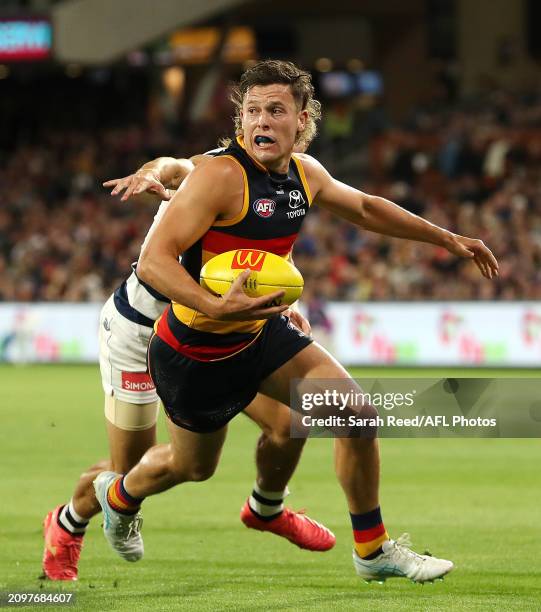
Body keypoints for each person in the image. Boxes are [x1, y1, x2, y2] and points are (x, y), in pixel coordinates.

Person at [94, 60, 498, 584]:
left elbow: (368, 208)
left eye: (276, 110)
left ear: (301, 120)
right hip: (196, 348)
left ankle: (371, 551)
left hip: (259, 334)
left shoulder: (306, 174)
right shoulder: (218, 176)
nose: (262, 121)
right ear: (240, 121)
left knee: (355, 416)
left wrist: (447, 238)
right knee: (189, 468)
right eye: (253, 111)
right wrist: (214, 307)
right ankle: (119, 497)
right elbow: (154, 261)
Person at [41, 152, 335, 582]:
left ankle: (266, 508)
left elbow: (267, 263)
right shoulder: (212, 173)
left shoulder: (265, 196)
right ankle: (67, 523)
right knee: (132, 471)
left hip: (212, 338)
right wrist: (147, 173)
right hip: (139, 334)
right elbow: (169, 165)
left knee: (289, 421)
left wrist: (280, 306)